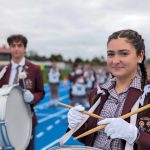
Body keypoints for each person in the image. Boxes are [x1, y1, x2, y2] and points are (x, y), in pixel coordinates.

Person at [67, 29, 150, 150]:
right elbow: (88, 138)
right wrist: (77, 125)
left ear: (140, 56)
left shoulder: (148, 94)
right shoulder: (98, 93)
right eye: (111, 54)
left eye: (124, 53)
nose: (115, 61)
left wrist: (135, 135)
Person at [0, 34, 45, 150]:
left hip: (26, 120)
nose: (16, 48)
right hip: (4, 121)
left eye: (19, 45)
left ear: (24, 48)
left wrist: (33, 98)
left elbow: (41, 92)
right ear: (10, 48)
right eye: (13, 45)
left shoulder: (35, 69)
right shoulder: (2, 70)